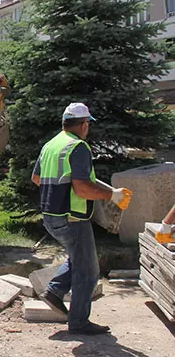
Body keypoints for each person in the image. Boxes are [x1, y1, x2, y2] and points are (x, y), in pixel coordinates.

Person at [31, 102, 132, 335]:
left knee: (79, 258)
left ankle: (55, 292)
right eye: (88, 125)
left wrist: (58, 191)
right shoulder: (78, 147)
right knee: (88, 270)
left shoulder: (51, 145)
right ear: (84, 124)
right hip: (72, 218)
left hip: (50, 216)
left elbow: (37, 178)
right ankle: (78, 323)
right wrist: (112, 195)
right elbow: (82, 188)